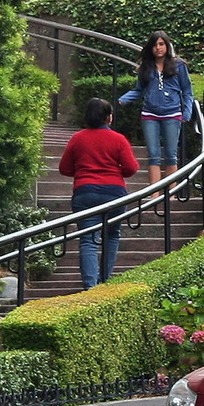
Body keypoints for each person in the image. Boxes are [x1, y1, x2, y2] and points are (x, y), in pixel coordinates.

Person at [58, 98, 139, 288]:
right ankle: (105, 280)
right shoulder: (119, 139)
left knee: (88, 239)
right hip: (114, 193)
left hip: (85, 193)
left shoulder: (78, 138)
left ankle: (90, 286)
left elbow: (64, 168)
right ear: (109, 118)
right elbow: (131, 168)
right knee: (112, 235)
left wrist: (81, 171)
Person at [118, 32, 195, 188]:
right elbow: (139, 89)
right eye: (155, 45)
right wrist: (123, 99)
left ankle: (171, 195)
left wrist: (187, 112)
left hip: (172, 114)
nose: (158, 48)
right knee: (153, 156)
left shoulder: (178, 65)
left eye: (161, 44)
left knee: (171, 156)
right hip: (150, 115)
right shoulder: (146, 67)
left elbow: (187, 91)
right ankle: (154, 194)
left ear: (167, 46)